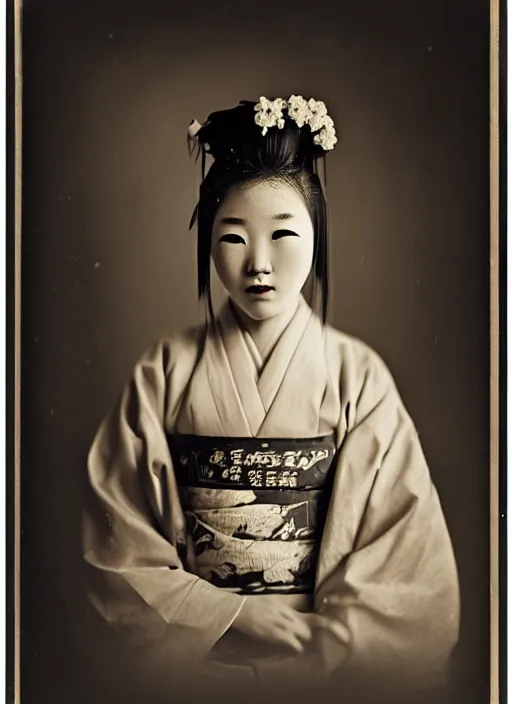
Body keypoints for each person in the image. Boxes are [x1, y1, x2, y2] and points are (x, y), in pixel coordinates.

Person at [83, 96, 460, 701]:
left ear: (317, 238)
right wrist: (232, 618)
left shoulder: (356, 374)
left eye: (284, 234)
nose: (259, 263)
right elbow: (117, 550)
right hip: (198, 662)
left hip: (320, 658)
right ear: (208, 243)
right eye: (233, 238)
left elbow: (404, 562)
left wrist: (320, 649)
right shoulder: (165, 370)